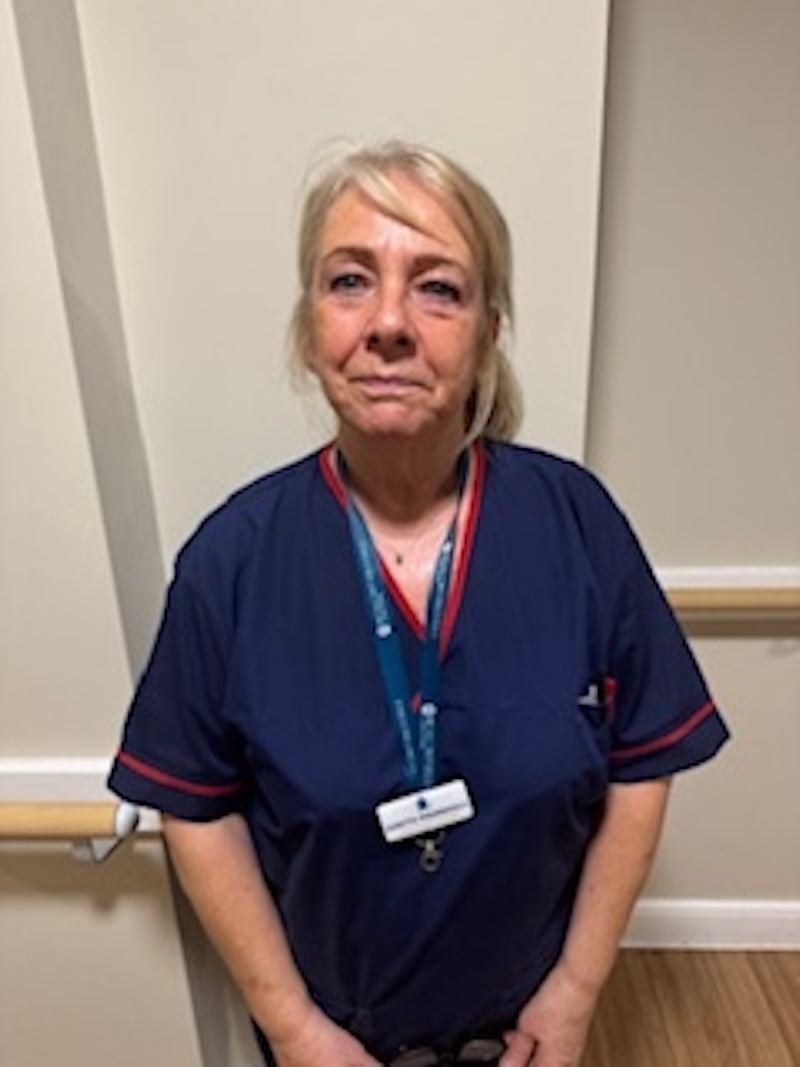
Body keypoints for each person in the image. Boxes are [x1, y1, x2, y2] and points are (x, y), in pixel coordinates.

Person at [108, 141, 729, 1066]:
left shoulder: (575, 524)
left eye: (438, 288)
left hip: (525, 1035)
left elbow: (643, 761)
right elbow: (196, 806)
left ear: (487, 331)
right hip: (334, 1040)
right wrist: (294, 1027)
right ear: (308, 323)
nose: (390, 322)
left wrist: (577, 989)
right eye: (350, 280)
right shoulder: (232, 561)